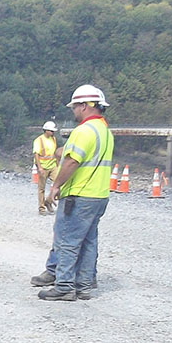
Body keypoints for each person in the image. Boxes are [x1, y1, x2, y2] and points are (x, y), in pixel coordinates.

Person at [31, 85, 114, 301]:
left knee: (67, 240)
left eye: (75, 106)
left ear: (85, 106)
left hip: (80, 195)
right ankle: (84, 286)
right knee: (88, 241)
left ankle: (65, 285)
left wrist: (56, 186)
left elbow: (71, 162)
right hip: (99, 195)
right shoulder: (104, 131)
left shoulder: (84, 131)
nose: (73, 111)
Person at [33, 120, 60, 215]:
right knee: (41, 188)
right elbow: (36, 154)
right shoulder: (39, 140)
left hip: (52, 165)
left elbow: (54, 153)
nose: (53, 133)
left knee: (59, 184)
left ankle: (48, 201)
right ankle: (41, 208)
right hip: (43, 167)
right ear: (46, 130)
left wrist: (57, 164)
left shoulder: (53, 139)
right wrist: (39, 168)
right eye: (51, 131)